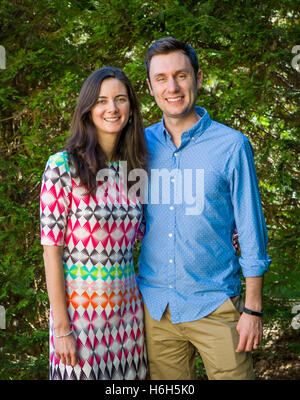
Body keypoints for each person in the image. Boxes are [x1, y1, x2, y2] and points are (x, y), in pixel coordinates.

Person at [137, 37, 271, 380]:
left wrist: (252, 309)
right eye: (162, 78)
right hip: (155, 309)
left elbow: (251, 229)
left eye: (181, 75)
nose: (173, 87)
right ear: (150, 86)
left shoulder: (232, 146)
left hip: (216, 307)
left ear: (197, 78)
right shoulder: (139, 144)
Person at [40, 67, 148, 380]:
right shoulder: (63, 165)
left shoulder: (134, 170)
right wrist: (61, 329)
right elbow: (51, 252)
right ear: (88, 109)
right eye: (101, 101)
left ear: (131, 108)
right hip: (81, 323)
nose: (112, 108)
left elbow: (152, 234)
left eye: (120, 99)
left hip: (129, 322)